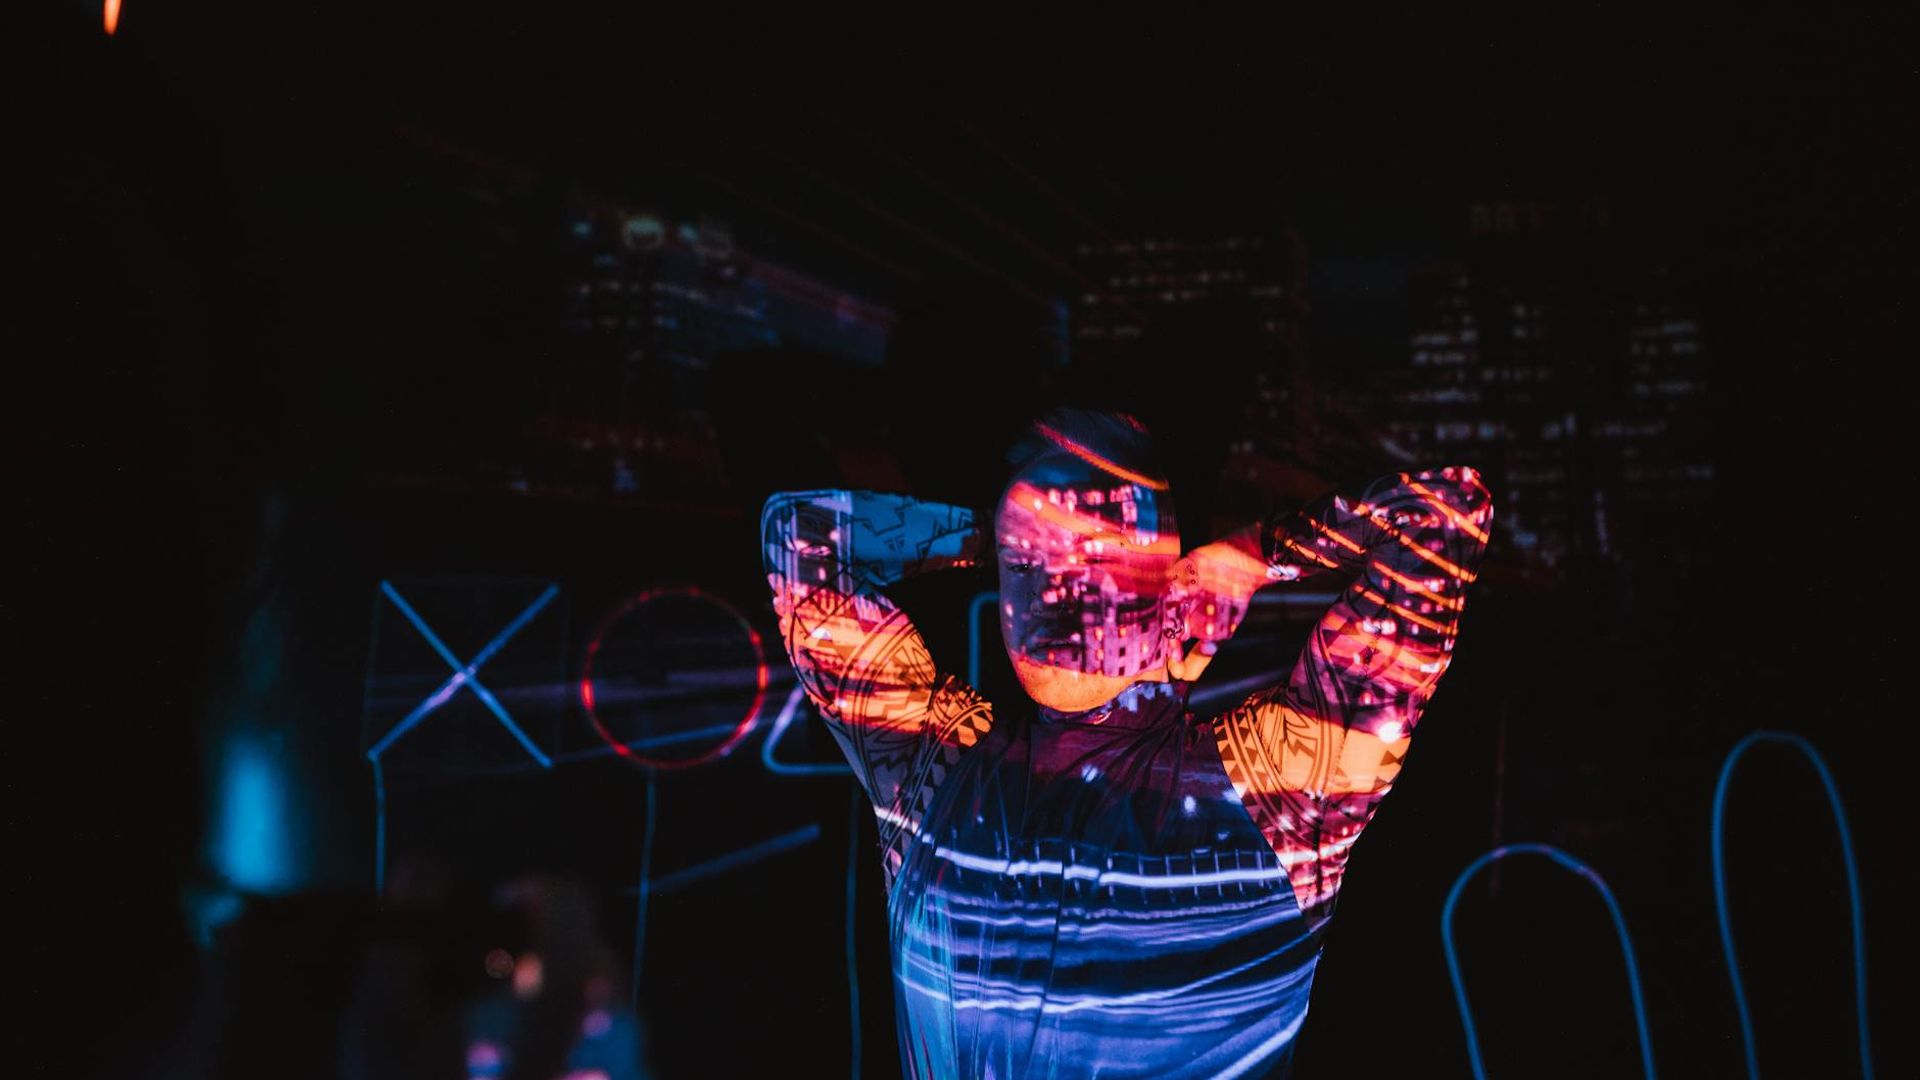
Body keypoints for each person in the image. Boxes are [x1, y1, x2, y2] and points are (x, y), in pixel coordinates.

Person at [760, 409, 1493, 1079]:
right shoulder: (933, 766)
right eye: (1028, 565)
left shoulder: (1281, 789)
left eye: (1096, 558)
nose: (1052, 593)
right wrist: (998, 534)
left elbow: (1440, 515)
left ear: (1172, 576)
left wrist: (1252, 554)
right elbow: (798, 532)